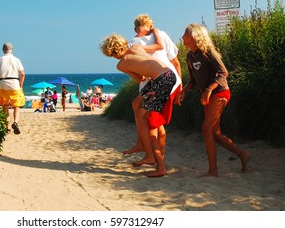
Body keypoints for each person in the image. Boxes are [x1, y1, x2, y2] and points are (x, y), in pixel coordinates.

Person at [176, 23, 251, 177]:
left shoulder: (208, 52)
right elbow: (193, 81)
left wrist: (209, 90)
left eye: (185, 33)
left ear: (195, 36)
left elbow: (223, 72)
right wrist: (184, 91)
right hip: (208, 95)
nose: (182, 36)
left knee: (206, 129)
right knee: (215, 134)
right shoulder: (190, 56)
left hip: (220, 92)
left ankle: (213, 171)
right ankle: (243, 155)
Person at [100, 33, 176, 177]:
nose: (113, 58)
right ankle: (143, 146)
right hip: (167, 74)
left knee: (145, 119)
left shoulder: (121, 64)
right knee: (136, 103)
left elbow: (140, 79)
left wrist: (143, 73)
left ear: (113, 52)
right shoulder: (136, 47)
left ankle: (156, 161)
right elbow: (158, 47)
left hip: (160, 81)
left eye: (111, 55)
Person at [124, 14, 183, 174]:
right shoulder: (160, 35)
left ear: (136, 27)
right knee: (155, 122)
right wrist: (180, 85)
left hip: (156, 85)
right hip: (164, 82)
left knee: (152, 122)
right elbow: (175, 61)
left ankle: (157, 161)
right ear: (150, 25)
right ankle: (154, 158)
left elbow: (136, 73)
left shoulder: (132, 43)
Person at [0, 42, 25, 134]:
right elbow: (22, 74)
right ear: (12, 50)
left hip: (3, 83)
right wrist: (21, 85)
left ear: (3, 50)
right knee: (16, 106)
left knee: (5, 106)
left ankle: (7, 127)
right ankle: (15, 122)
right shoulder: (16, 60)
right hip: (14, 83)